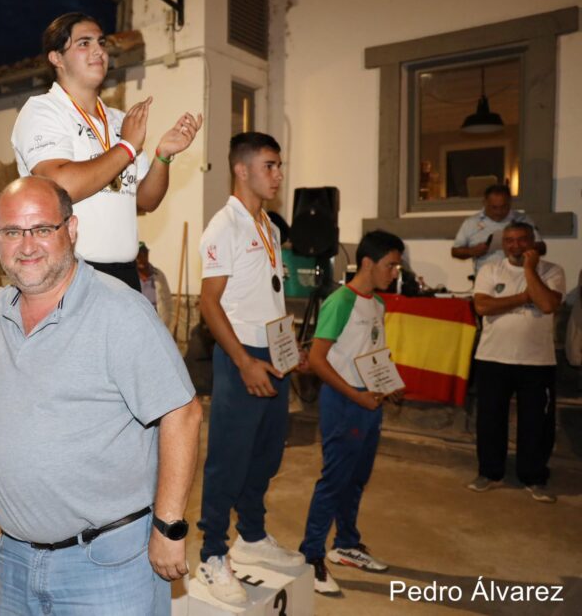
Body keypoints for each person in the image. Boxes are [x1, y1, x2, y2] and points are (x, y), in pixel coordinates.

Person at [0, 176, 201, 615]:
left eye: (42, 229)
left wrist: (169, 526)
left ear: (71, 230)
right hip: (15, 562)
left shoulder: (121, 312)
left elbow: (182, 413)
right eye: (12, 231)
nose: (26, 246)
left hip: (108, 566)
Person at [11, 12, 203, 291]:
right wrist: (127, 147)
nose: (99, 51)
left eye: (101, 42)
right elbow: (59, 185)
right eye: (84, 43)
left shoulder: (119, 120)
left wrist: (163, 155)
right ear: (56, 58)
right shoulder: (42, 110)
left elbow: (145, 201)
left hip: (125, 273)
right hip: (69, 272)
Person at [195, 132, 304, 607]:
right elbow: (209, 303)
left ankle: (253, 536)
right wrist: (243, 362)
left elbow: (270, 297)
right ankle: (212, 554)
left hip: (274, 355)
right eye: (269, 166)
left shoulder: (270, 227)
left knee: (267, 454)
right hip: (241, 356)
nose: (278, 175)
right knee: (229, 458)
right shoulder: (225, 227)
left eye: (279, 166)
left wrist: (288, 351)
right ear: (242, 170)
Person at [298, 230, 405, 596]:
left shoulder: (378, 304)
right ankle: (311, 555)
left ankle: (345, 543)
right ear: (367, 263)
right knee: (334, 480)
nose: (395, 272)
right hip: (345, 403)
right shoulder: (341, 301)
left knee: (356, 478)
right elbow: (317, 359)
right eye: (391, 265)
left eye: (397, 266)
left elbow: (373, 353)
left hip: (369, 403)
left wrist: (389, 382)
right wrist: (357, 397)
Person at [467, 222, 564, 503]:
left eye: (522, 240)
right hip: (492, 358)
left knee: (536, 423)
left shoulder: (552, 271)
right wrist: (524, 297)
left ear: (533, 242)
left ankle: (534, 477)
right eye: (509, 240)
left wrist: (530, 270)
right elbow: (483, 306)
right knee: (490, 420)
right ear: (503, 244)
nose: (515, 246)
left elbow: (547, 304)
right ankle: (489, 472)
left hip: (537, 361)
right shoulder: (490, 270)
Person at [451, 184, 545, 273]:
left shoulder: (523, 220)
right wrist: (472, 251)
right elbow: (455, 252)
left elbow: (542, 248)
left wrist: (520, 247)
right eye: (494, 207)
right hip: (486, 277)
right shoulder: (471, 222)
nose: (499, 212)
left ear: (510, 202)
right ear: (485, 203)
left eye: (504, 207)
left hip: (520, 275)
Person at [137, 241, 172, 328]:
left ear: (148, 254)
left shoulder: (159, 275)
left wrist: (166, 323)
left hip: (157, 325)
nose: (141, 258)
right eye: (138, 255)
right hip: (138, 324)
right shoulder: (130, 277)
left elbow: (168, 301)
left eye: (144, 254)